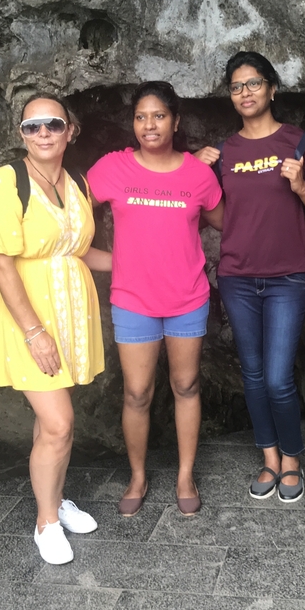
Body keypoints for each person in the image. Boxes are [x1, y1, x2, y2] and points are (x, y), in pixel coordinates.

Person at [196, 51, 305, 503]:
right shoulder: (225, 153)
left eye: (253, 83)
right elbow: (220, 219)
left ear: (272, 88)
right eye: (236, 87)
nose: (245, 93)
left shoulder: (303, 144)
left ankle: (292, 459)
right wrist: (196, 176)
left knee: (277, 377)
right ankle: (269, 457)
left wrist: (298, 187)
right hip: (237, 276)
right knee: (253, 376)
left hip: (288, 277)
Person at [0, 93, 111, 564]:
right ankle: (46, 523)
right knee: (59, 425)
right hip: (29, 320)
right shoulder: (7, 181)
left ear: (69, 130)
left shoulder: (77, 181)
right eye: (31, 127)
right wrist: (35, 331)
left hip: (71, 316)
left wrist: (132, 266)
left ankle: (54, 499)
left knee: (49, 423)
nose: (42, 134)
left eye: (52, 124)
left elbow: (76, 251)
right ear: (21, 134)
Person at [87, 81, 223, 517]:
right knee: (137, 393)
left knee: (186, 386)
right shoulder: (112, 168)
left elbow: (224, 221)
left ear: (176, 122)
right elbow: (70, 218)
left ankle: (185, 475)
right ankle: (138, 476)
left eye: (159, 116)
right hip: (132, 299)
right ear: (133, 123)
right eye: (141, 116)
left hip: (187, 297)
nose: (150, 124)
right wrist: (107, 260)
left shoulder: (197, 174)